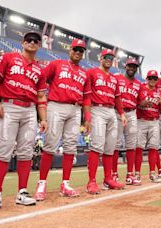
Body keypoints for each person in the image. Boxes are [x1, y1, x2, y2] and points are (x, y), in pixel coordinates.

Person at [0, 31, 48, 212]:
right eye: (29, 40)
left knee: (26, 152)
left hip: (29, 110)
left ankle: (22, 192)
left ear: (39, 46)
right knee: (4, 149)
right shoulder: (8, 58)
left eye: (36, 41)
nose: (32, 42)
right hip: (9, 106)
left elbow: (41, 96)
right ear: (22, 42)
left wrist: (43, 118)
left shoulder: (39, 69)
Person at [34, 39, 91, 201]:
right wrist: (42, 98)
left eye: (81, 51)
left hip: (75, 109)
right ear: (70, 50)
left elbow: (86, 99)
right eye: (75, 49)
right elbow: (41, 79)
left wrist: (87, 119)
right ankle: (42, 183)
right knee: (51, 144)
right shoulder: (56, 64)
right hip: (56, 105)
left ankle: (65, 184)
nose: (78, 53)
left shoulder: (84, 73)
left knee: (70, 146)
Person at [85, 49, 127, 194]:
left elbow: (117, 98)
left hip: (111, 111)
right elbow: (87, 95)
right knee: (97, 145)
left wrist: (121, 113)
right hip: (97, 109)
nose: (108, 59)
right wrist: (88, 117)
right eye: (106, 57)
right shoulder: (92, 72)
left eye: (111, 57)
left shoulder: (114, 79)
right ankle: (91, 181)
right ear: (100, 58)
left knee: (110, 146)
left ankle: (108, 179)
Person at [112, 58, 143, 185]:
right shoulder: (117, 78)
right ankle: (114, 173)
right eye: (130, 65)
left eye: (134, 66)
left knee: (131, 144)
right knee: (116, 144)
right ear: (125, 66)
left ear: (136, 68)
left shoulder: (138, 84)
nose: (132, 68)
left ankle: (130, 174)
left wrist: (145, 103)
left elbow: (140, 102)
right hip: (117, 112)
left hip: (131, 113)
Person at [136, 70, 161, 183]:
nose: (152, 80)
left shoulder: (159, 93)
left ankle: (152, 173)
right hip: (142, 120)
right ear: (146, 79)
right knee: (139, 147)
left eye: (155, 78)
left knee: (153, 147)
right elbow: (138, 103)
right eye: (150, 78)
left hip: (154, 121)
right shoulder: (141, 88)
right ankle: (137, 173)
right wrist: (143, 103)